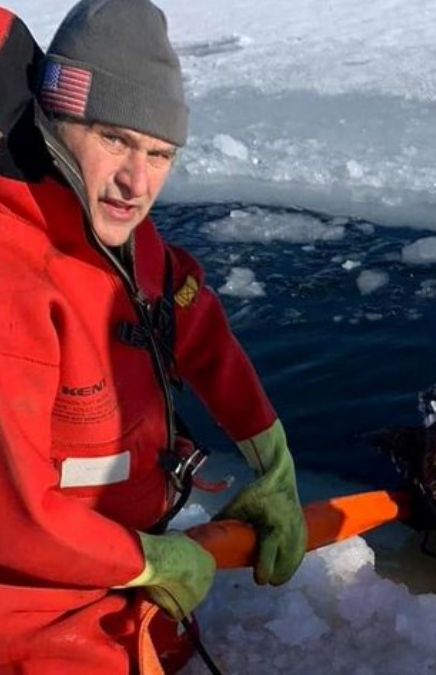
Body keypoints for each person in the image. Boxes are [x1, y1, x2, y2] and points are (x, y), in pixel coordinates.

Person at [0, 1, 307, 672]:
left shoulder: (131, 249)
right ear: (57, 122)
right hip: (29, 626)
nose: (136, 182)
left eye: (160, 153)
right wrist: (148, 559)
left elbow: (199, 330)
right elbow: (12, 515)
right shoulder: (14, 280)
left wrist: (274, 459)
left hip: (127, 591)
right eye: (115, 139)